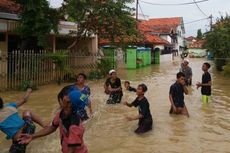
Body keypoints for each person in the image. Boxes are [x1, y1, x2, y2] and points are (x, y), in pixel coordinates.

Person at [19, 90, 88, 153]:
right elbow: (52, 127)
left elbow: (71, 150)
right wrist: (32, 136)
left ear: (69, 104)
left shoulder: (74, 126)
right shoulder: (62, 113)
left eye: (67, 96)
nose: (64, 96)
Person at [0, 88, 46, 153]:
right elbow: (24, 100)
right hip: (29, 127)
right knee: (27, 112)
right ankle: (46, 127)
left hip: (20, 140)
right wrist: (28, 91)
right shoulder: (9, 105)